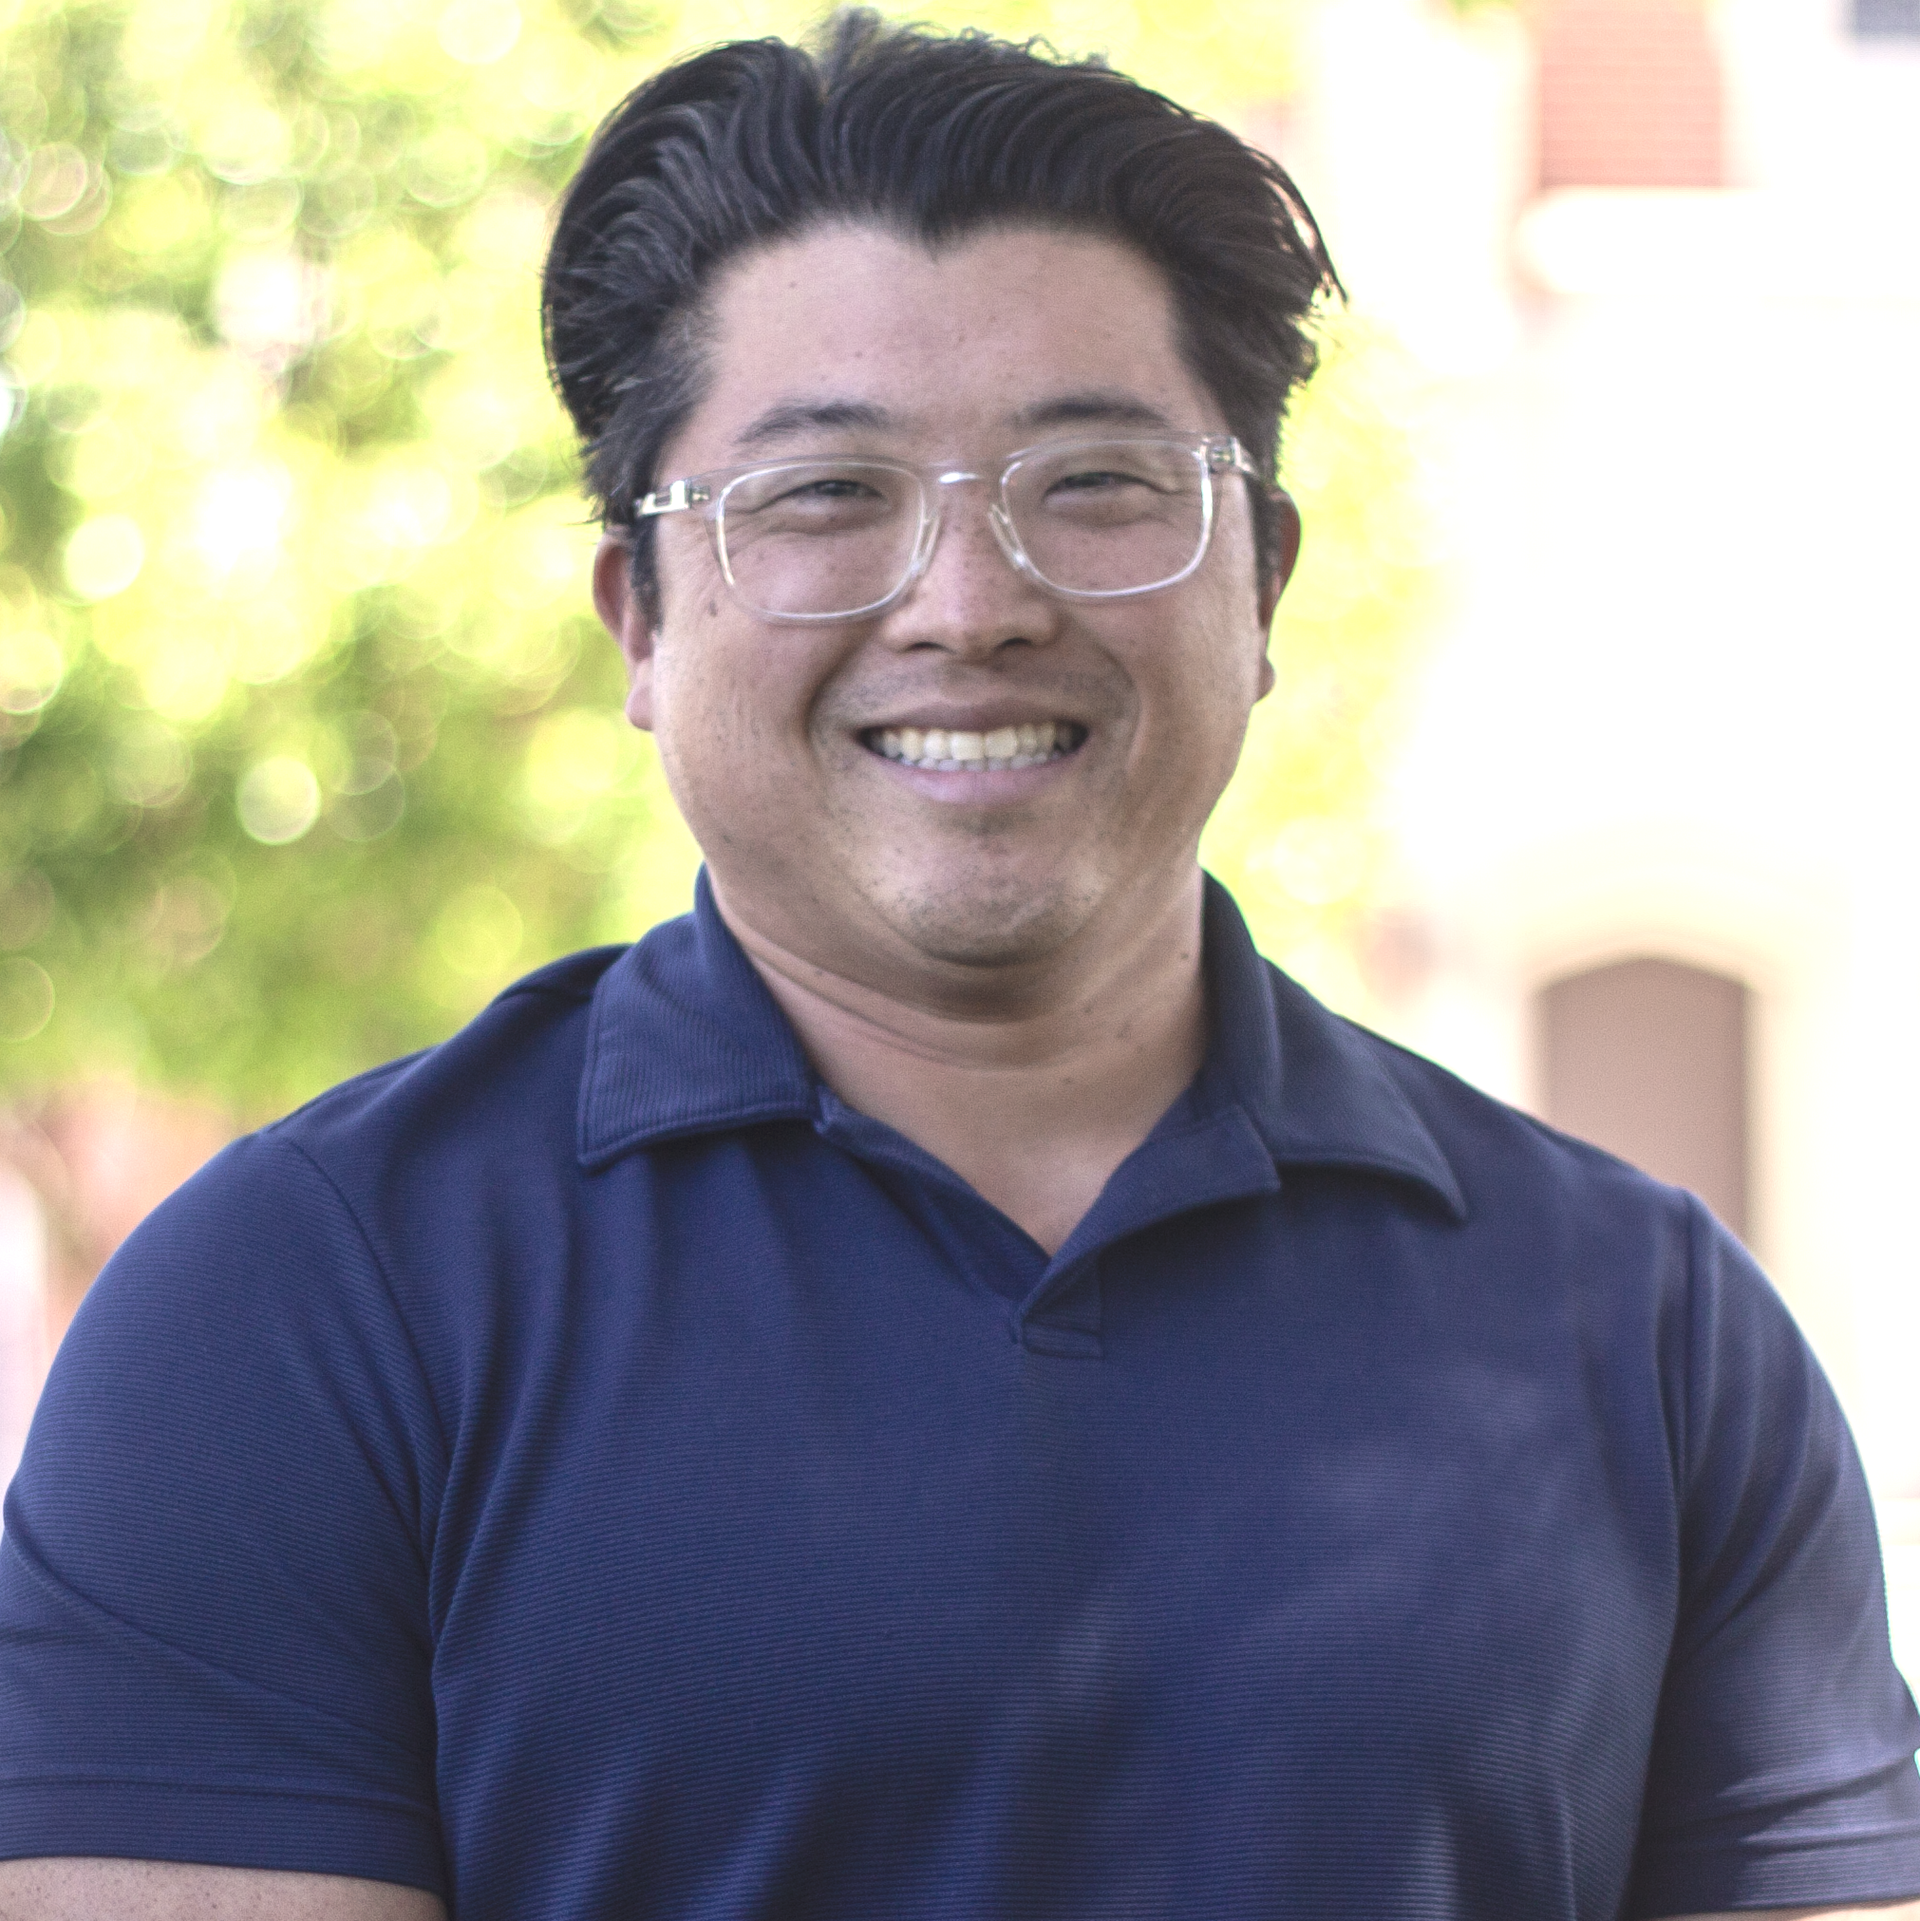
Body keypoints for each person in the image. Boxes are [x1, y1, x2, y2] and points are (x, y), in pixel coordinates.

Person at [2, 13, 1917, 1919]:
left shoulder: (1647, 1332)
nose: (974, 605)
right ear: (638, 624)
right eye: (824, 496)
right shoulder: (297, 1314)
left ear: (1263, 582)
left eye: (1093, 482)